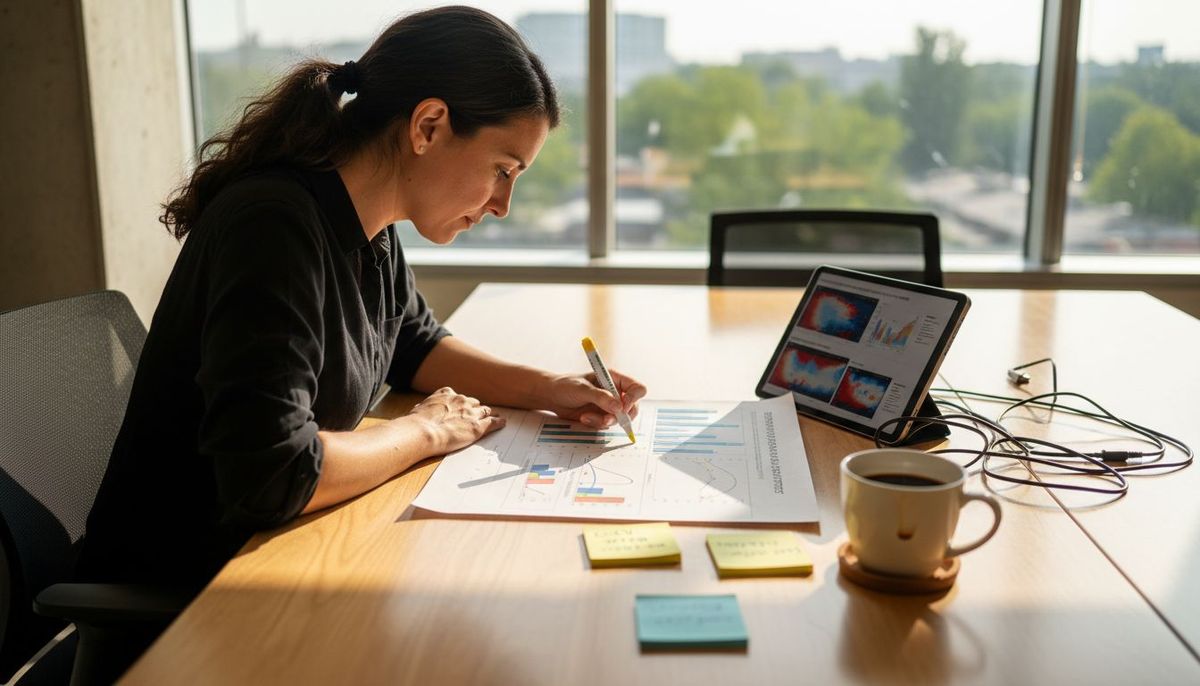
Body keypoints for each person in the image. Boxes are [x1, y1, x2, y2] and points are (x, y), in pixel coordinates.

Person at [77, 5, 645, 601]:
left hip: (281, 563)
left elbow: (414, 346)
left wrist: (551, 388)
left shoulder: (369, 226)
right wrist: (424, 432)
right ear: (428, 125)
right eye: (502, 169)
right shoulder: (272, 227)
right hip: (191, 595)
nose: (504, 203)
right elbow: (273, 473)